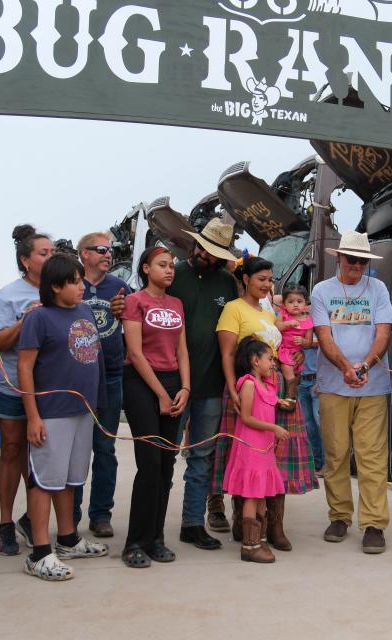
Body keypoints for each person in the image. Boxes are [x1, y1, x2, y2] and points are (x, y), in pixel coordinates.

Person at [212, 257, 317, 552]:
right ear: (245, 279)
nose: (266, 285)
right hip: (246, 389)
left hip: (276, 386)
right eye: (261, 279)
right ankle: (241, 523)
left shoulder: (269, 309)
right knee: (248, 454)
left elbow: (282, 345)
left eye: (270, 280)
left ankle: (275, 525)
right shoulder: (234, 309)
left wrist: (296, 355)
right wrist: (233, 389)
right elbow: (228, 354)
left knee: (277, 455)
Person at [19, 254, 109, 581]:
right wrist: (33, 416)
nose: (82, 286)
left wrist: (96, 403)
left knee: (71, 478)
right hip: (52, 412)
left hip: (82, 411)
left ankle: (68, 538)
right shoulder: (38, 318)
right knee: (45, 478)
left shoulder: (84, 311)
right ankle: (40, 551)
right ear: (55, 286)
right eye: (74, 281)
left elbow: (93, 360)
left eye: (81, 279)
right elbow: (25, 367)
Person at [310, 231, 392, 554]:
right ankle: (340, 516)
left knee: (372, 456)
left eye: (363, 260)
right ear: (339, 258)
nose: (357, 266)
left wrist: (366, 366)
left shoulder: (378, 289)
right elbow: (324, 334)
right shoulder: (322, 291)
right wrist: (346, 366)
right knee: (336, 453)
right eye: (352, 260)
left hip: (371, 386)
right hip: (334, 385)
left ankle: (374, 523)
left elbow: (384, 331)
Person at [166, 218, 238, 547]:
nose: (203, 255)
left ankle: (192, 524)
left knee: (201, 457)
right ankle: (151, 524)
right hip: (171, 383)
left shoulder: (227, 281)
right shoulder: (172, 274)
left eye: (212, 253)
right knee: (164, 455)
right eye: (201, 247)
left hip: (210, 385)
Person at [120, 247, 190, 568]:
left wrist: (185, 387)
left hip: (173, 383)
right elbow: (135, 353)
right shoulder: (135, 301)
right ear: (146, 268)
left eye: (171, 265)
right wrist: (161, 393)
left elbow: (182, 349)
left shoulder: (176, 303)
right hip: (141, 385)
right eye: (162, 265)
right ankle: (135, 541)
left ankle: (156, 538)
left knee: (165, 466)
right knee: (148, 464)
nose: (169, 270)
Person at [0, 225, 53, 555]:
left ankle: (32, 519)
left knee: (42, 455)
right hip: (13, 385)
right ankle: (4, 523)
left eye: (53, 252)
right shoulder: (9, 295)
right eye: (44, 253)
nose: (51, 257)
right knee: (13, 449)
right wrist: (25, 320)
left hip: (50, 390)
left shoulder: (62, 291)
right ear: (26, 260)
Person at [71, 232, 129, 539]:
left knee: (105, 447)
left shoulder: (120, 286)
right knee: (77, 448)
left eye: (112, 249)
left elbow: (134, 324)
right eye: (102, 249)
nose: (109, 254)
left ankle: (101, 515)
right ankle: (71, 515)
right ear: (84, 254)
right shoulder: (71, 282)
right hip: (78, 377)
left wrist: (125, 310)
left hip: (112, 375)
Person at [223, 337, 288, 563]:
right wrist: (274, 428)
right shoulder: (249, 383)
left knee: (261, 495)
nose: (273, 363)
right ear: (254, 360)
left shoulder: (265, 384)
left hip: (264, 448)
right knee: (252, 496)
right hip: (251, 447)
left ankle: (258, 540)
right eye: (269, 359)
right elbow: (247, 417)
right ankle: (249, 546)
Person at [276, 284, 314, 410]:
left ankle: (290, 395)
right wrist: (287, 324)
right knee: (288, 372)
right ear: (284, 304)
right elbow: (275, 328)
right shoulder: (283, 315)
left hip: (296, 353)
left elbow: (309, 342)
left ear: (306, 303)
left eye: (299, 301)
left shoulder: (308, 321)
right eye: (291, 302)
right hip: (284, 350)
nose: (295, 304)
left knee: (294, 373)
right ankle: (290, 397)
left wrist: (303, 341)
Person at [298, 301, 324, 474]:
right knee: (308, 424)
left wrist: (321, 380)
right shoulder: (294, 329)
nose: (303, 309)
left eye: (305, 304)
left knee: (320, 422)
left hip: (316, 381)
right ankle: (316, 463)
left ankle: (328, 463)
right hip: (300, 381)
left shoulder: (320, 330)